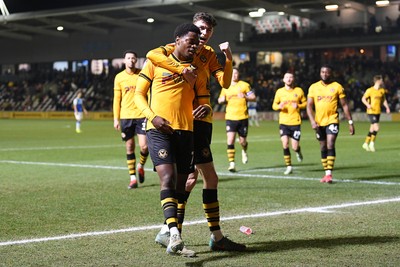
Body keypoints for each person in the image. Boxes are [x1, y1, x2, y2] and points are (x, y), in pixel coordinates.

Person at [147, 12, 246, 253]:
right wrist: (181, 71)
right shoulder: (172, 51)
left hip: (203, 120)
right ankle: (202, 235)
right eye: (201, 28)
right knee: (200, 177)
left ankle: (171, 231)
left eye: (208, 30)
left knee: (195, 178)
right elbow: (152, 55)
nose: (204, 33)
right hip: (184, 122)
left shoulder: (209, 54)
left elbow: (224, 82)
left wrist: (229, 59)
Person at [134, 23, 211, 257]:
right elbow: (138, 94)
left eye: (198, 42)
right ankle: (174, 234)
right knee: (166, 178)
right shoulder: (156, 62)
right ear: (177, 40)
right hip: (159, 129)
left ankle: (172, 240)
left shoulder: (196, 69)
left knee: (181, 186)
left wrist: (206, 108)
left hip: (186, 131)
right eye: (191, 41)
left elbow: (204, 99)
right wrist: (152, 117)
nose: (195, 45)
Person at [306, 65, 355, 184]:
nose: (324, 74)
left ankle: (329, 174)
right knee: (323, 146)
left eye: (327, 72)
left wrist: (350, 122)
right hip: (318, 122)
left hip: (332, 119)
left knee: (330, 143)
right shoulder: (313, 87)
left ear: (331, 74)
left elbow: (344, 105)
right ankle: (326, 173)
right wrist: (312, 121)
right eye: (322, 71)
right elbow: (309, 106)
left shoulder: (337, 87)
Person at [113, 50, 149, 189]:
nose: (131, 60)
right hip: (126, 116)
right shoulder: (119, 77)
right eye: (128, 58)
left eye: (133, 58)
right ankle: (133, 178)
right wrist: (116, 118)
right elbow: (117, 99)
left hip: (141, 114)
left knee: (144, 146)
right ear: (124, 61)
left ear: (136, 60)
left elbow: (149, 92)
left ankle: (141, 165)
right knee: (129, 147)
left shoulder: (142, 74)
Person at [218, 68, 256, 172]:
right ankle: (232, 163)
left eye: (236, 73)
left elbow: (253, 97)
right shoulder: (225, 86)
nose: (234, 75)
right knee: (230, 140)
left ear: (238, 74)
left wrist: (245, 96)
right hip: (230, 117)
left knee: (243, 141)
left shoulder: (245, 85)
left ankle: (244, 150)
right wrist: (221, 100)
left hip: (243, 117)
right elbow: (220, 99)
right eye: (233, 73)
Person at [272, 72, 306, 175]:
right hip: (284, 122)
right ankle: (289, 166)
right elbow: (274, 105)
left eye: (291, 77)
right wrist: (279, 107)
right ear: (283, 79)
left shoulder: (299, 91)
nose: (289, 79)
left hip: (295, 122)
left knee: (294, 146)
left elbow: (305, 103)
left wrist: (299, 106)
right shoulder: (279, 92)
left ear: (293, 79)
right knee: (285, 144)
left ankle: (298, 151)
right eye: (287, 77)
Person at [361, 75, 390, 152]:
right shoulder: (370, 90)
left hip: (378, 111)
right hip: (371, 112)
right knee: (376, 127)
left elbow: (384, 100)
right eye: (381, 80)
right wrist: (368, 105)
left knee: (372, 129)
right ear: (378, 81)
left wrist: (387, 107)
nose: (382, 82)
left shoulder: (382, 90)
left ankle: (366, 143)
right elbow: (363, 99)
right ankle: (372, 143)